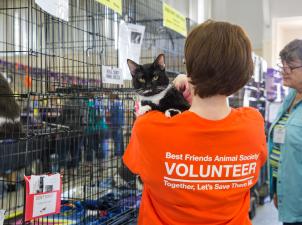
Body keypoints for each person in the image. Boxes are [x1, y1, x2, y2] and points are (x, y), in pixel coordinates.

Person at [123, 20, 267, 225]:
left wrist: (175, 87)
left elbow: (133, 169)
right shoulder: (253, 124)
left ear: (189, 66)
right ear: (244, 73)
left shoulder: (149, 127)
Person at [268, 39, 302, 225]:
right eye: (283, 65)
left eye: (290, 66)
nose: (284, 71)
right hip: (287, 196)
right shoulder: (290, 97)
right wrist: (277, 190)